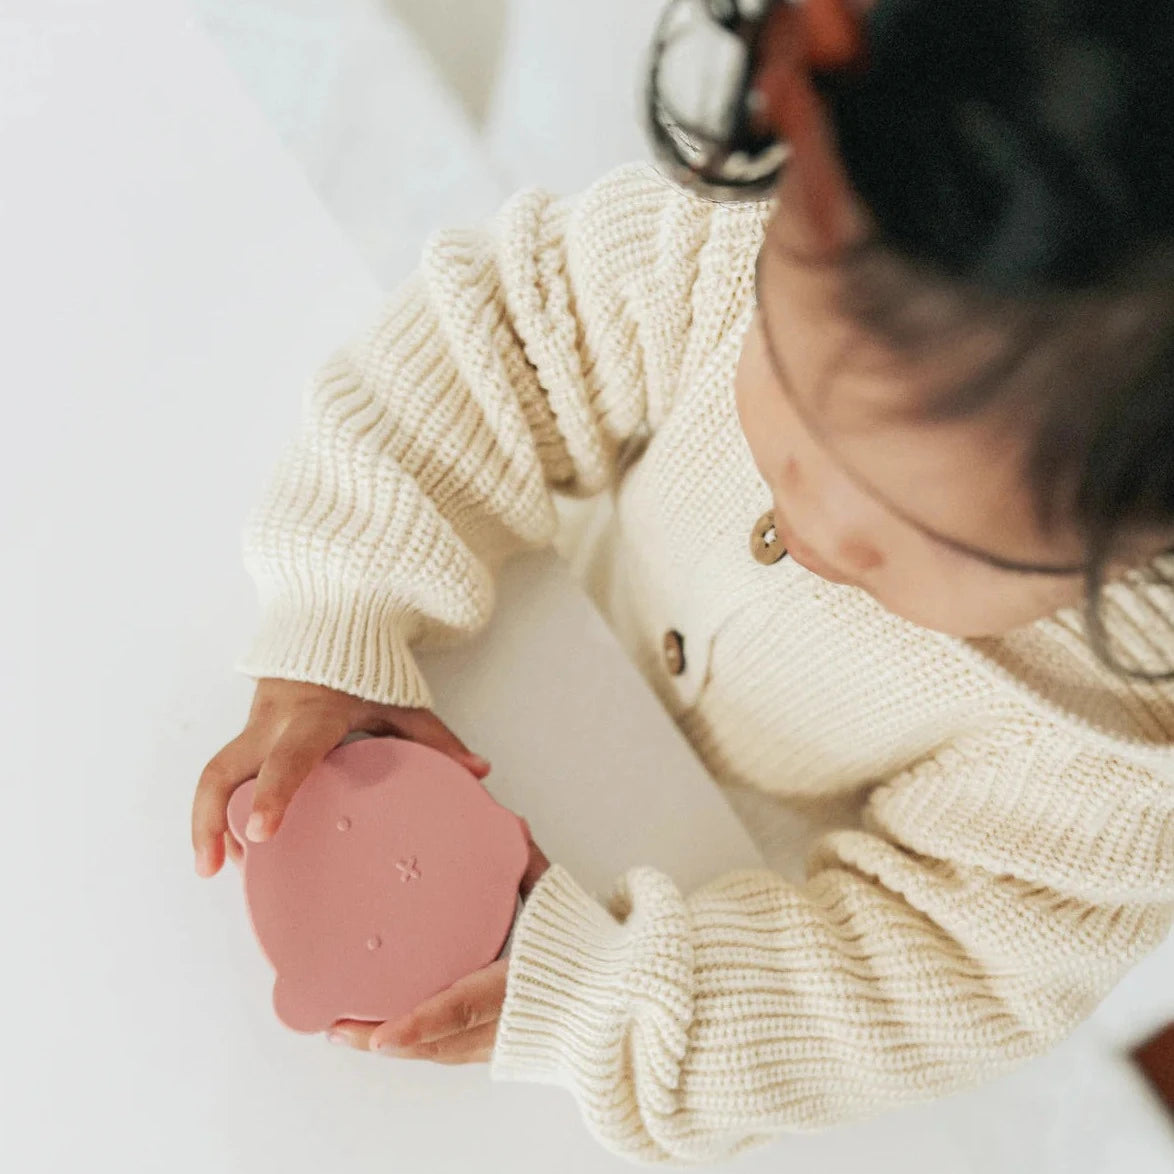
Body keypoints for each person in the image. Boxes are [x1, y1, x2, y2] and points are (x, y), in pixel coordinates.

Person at [191, 0, 1174, 1164]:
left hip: (727, 898)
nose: (812, 522)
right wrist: (340, 612)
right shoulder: (747, 245)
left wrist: (603, 1005)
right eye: (795, 419)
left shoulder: (1118, 748)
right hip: (523, 648)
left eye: (916, 539)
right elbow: (490, 344)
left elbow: (913, 987)